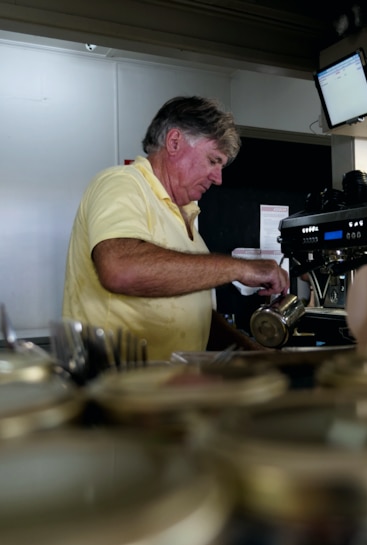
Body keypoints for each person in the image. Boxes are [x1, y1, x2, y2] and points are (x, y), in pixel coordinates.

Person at [62, 96, 289, 361]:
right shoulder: (122, 183)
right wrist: (241, 267)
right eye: (213, 160)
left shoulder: (188, 222)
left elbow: (199, 320)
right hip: (117, 390)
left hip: (170, 389)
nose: (218, 179)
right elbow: (120, 269)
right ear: (174, 143)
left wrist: (258, 357)